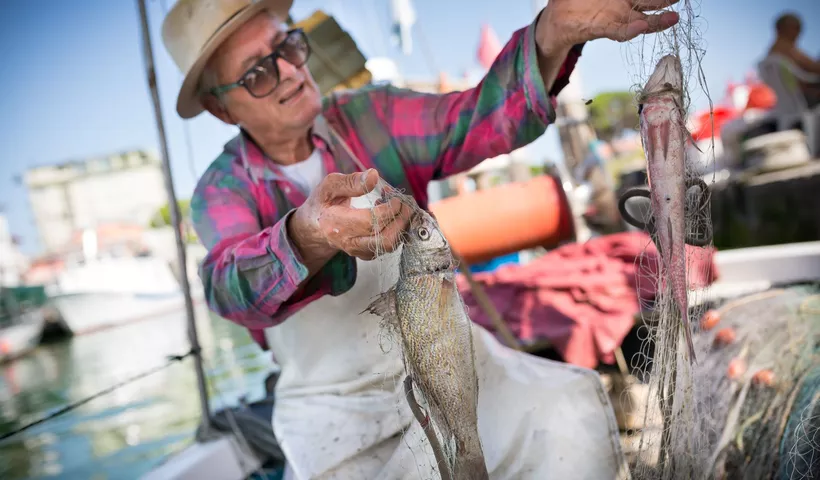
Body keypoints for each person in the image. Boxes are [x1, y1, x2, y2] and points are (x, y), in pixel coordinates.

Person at [161, 0, 679, 478]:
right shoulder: (220, 190)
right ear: (222, 109)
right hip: (335, 415)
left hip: (452, 362)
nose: (289, 72)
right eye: (256, 73)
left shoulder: (371, 115)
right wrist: (307, 235)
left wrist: (552, 35)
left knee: (566, 411)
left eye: (288, 47)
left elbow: (477, 119)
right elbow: (228, 286)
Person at [766, 12, 820, 108]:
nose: (799, 32)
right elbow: (814, 67)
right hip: (803, 100)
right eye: (797, 28)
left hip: (787, 102)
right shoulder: (787, 49)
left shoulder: (772, 51)